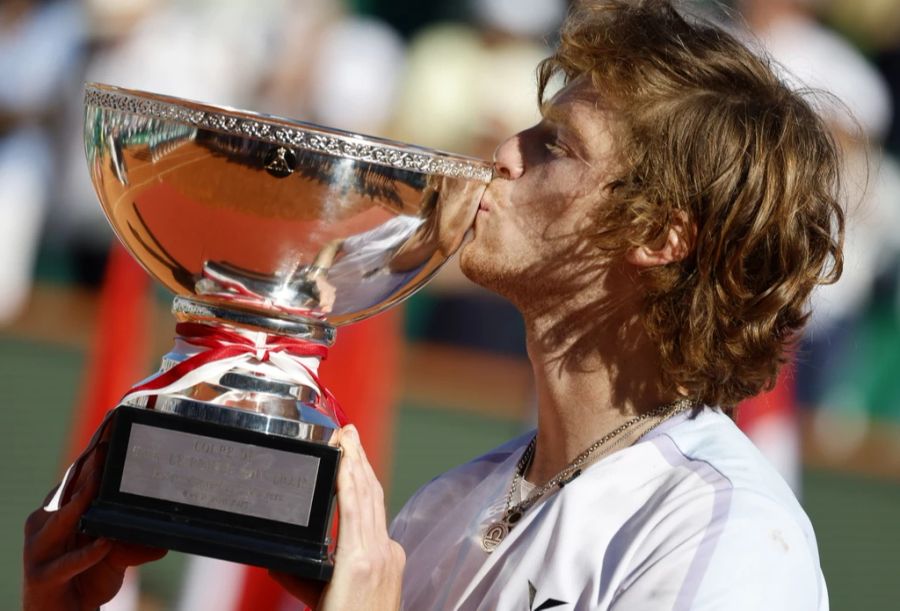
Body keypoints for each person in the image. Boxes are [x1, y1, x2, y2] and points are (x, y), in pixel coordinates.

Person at [24, 1, 843, 609]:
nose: (502, 157)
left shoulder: (724, 535)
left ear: (662, 235)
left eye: (555, 145)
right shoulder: (451, 503)